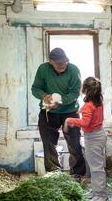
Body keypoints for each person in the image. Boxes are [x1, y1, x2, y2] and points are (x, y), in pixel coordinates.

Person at [31, 47, 88, 179]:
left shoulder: (73, 70)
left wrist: (61, 101)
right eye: (58, 64)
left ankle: (77, 174)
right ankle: (54, 175)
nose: (62, 65)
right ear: (50, 61)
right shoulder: (43, 69)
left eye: (64, 63)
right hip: (48, 112)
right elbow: (35, 88)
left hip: (70, 112)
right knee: (49, 144)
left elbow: (75, 92)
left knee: (74, 143)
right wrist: (44, 96)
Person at [64, 77, 108, 201]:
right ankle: (96, 192)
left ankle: (101, 196)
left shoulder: (89, 105)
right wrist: (80, 111)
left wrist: (69, 120)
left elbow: (85, 123)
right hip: (98, 134)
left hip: (93, 138)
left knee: (96, 168)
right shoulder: (97, 101)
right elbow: (90, 113)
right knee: (95, 166)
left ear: (85, 89)